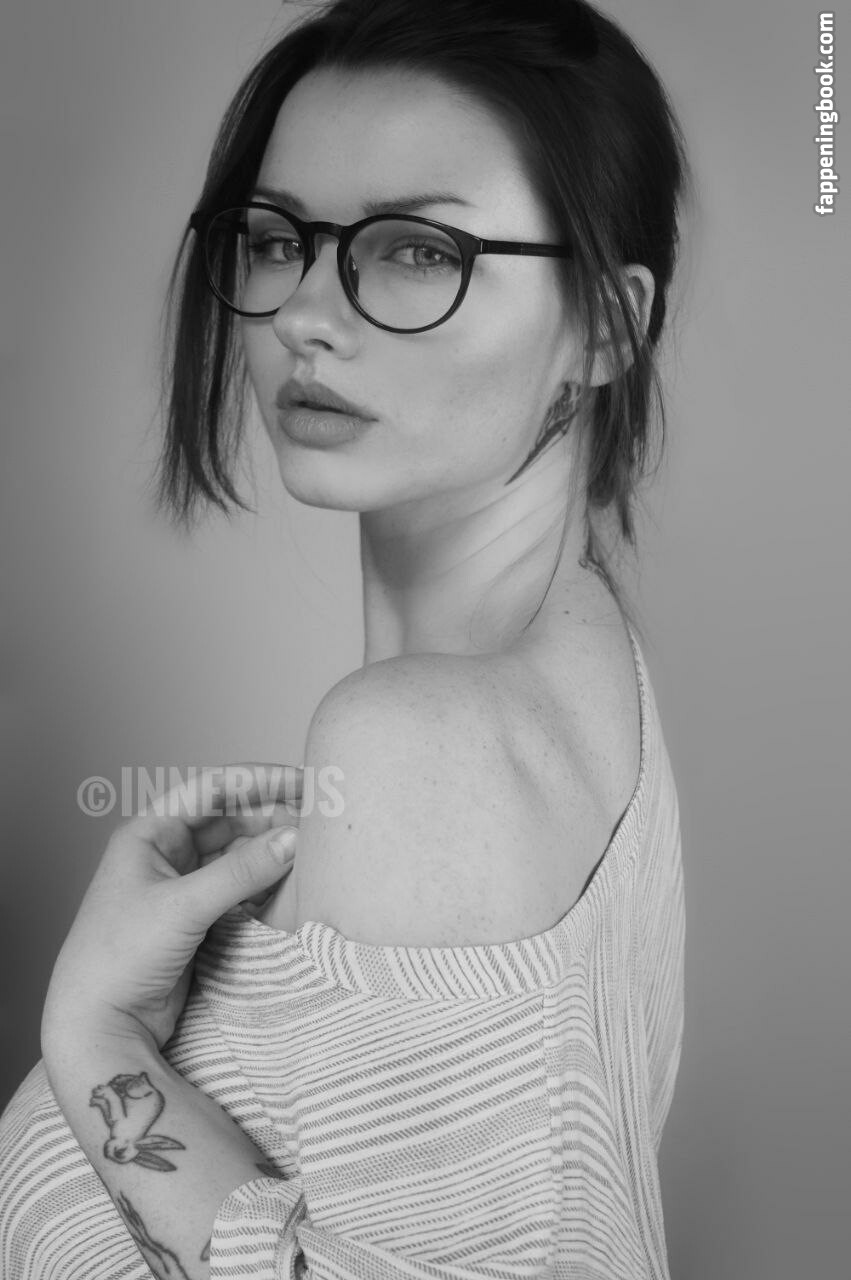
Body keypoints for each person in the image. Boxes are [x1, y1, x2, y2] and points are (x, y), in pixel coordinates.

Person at [0, 0, 688, 1275]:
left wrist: (100, 1039)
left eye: (417, 250)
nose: (305, 313)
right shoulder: (581, 681)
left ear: (605, 322)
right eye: (277, 238)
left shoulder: (425, 742)